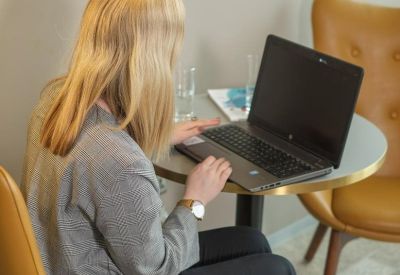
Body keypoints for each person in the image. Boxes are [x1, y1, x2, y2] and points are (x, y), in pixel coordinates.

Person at [22, 0, 296, 274]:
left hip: (63, 260)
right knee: (277, 267)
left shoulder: (56, 98)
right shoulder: (121, 163)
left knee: (252, 240)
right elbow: (157, 268)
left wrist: (154, 139)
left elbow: (95, 170)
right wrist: (195, 201)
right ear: (151, 54)